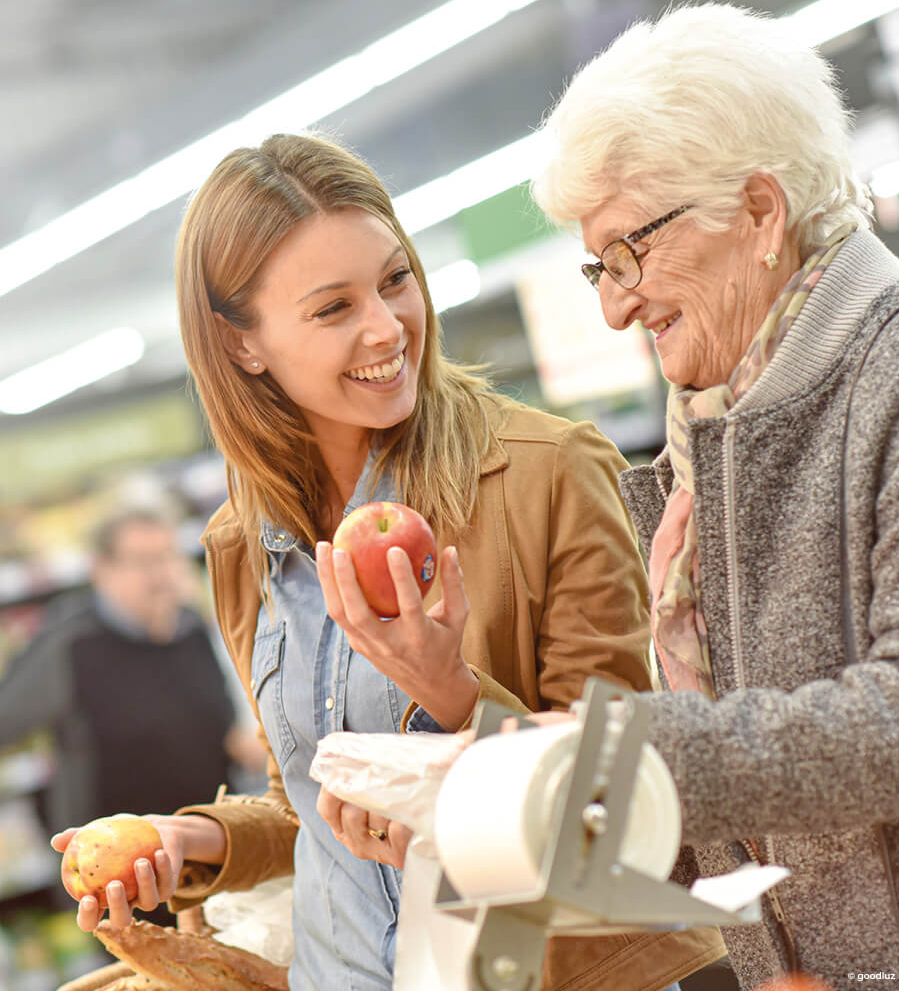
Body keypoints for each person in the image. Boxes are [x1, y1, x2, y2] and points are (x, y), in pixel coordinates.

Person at [52, 133, 727, 991]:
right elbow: (312, 804)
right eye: (333, 308)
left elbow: (625, 801)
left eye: (396, 279)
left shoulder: (546, 472)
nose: (387, 326)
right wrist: (201, 840)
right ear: (240, 345)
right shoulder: (243, 542)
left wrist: (451, 694)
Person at [524, 2, 899, 990]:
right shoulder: (713, 433)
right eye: (595, 265)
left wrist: (645, 751)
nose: (613, 304)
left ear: (757, 211)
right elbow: (746, 804)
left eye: (626, 253)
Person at [1, 507, 241, 926]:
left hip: (202, 858)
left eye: (167, 557)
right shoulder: (72, 645)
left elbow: (220, 720)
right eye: (143, 561)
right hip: (114, 880)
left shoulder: (191, 628)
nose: (161, 574)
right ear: (102, 571)